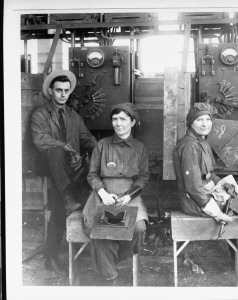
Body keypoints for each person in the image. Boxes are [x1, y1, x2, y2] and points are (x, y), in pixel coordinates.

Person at [172, 102, 238, 273]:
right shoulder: (190, 145)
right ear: (191, 123)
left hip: (205, 194)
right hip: (196, 202)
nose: (205, 124)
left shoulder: (202, 142)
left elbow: (209, 174)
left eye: (208, 119)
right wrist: (217, 213)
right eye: (199, 120)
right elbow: (193, 188)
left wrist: (228, 186)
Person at [30, 69, 97, 276]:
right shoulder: (40, 114)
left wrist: (105, 153)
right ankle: (68, 198)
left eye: (66, 91)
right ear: (51, 91)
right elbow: (40, 141)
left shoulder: (74, 116)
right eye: (58, 90)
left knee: (63, 200)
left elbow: (88, 140)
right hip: (45, 163)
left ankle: (51, 256)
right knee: (57, 151)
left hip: (66, 171)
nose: (63, 94)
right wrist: (68, 148)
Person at [82, 103, 149, 285]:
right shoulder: (102, 145)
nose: (118, 124)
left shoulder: (140, 148)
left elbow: (143, 178)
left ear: (132, 122)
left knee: (139, 228)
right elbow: (92, 175)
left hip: (130, 195)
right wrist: (103, 193)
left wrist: (129, 196)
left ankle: (111, 261)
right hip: (103, 193)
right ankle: (110, 276)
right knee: (100, 230)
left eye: (123, 119)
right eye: (114, 119)